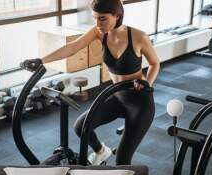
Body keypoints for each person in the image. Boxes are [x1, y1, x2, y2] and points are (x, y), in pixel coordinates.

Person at [21, 0, 160, 165]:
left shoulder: (138, 36)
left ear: (117, 15)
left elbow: (154, 63)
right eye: (95, 18)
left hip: (140, 102)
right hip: (117, 96)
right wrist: (40, 60)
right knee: (81, 127)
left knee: (122, 160)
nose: (98, 24)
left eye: (102, 19)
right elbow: (71, 48)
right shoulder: (99, 32)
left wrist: (147, 83)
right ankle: (101, 151)